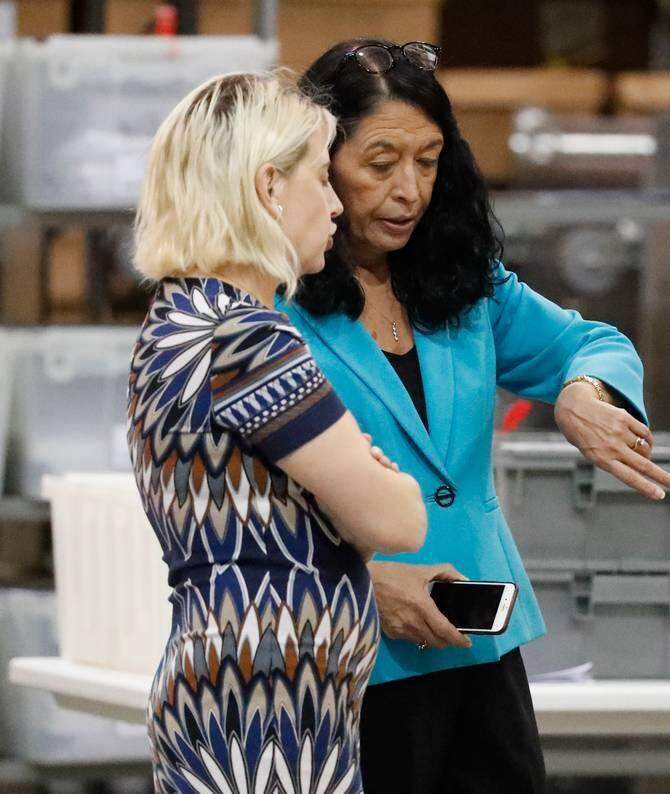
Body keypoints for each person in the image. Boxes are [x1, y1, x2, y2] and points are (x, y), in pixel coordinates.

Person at [281, 40, 670, 793]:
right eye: (380, 163)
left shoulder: (465, 284)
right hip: (352, 663)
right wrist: (359, 587)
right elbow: (238, 506)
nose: (409, 190)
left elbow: (591, 344)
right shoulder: (274, 308)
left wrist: (583, 392)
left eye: (428, 162)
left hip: (482, 653)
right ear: (319, 165)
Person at [128, 72, 427, 793]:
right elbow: (396, 520)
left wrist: (352, 483)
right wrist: (375, 481)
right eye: (321, 179)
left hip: (245, 705)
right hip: (267, 719)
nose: (334, 205)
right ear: (268, 189)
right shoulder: (247, 339)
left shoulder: (182, 319)